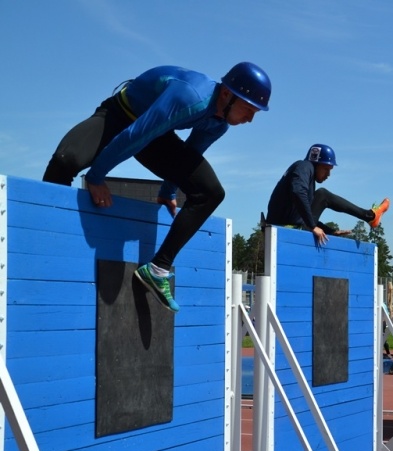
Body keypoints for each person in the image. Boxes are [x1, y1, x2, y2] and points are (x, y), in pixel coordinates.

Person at [42, 62, 273, 312]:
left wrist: (167, 192)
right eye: (248, 109)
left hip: (154, 134)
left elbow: (190, 153)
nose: (250, 119)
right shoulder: (189, 97)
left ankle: (158, 269)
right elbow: (135, 135)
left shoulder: (218, 123)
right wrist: (97, 178)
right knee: (65, 162)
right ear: (227, 94)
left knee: (210, 193)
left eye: (255, 114)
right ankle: (45, 234)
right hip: (120, 115)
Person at [265, 144, 390, 245]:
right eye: (326, 169)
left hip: (286, 226)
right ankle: (370, 216)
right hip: (282, 229)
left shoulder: (305, 175)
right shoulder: (305, 166)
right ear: (316, 163)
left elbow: (302, 216)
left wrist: (330, 231)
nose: (328, 175)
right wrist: (312, 226)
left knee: (318, 195)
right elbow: (298, 192)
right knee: (322, 195)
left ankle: (370, 216)